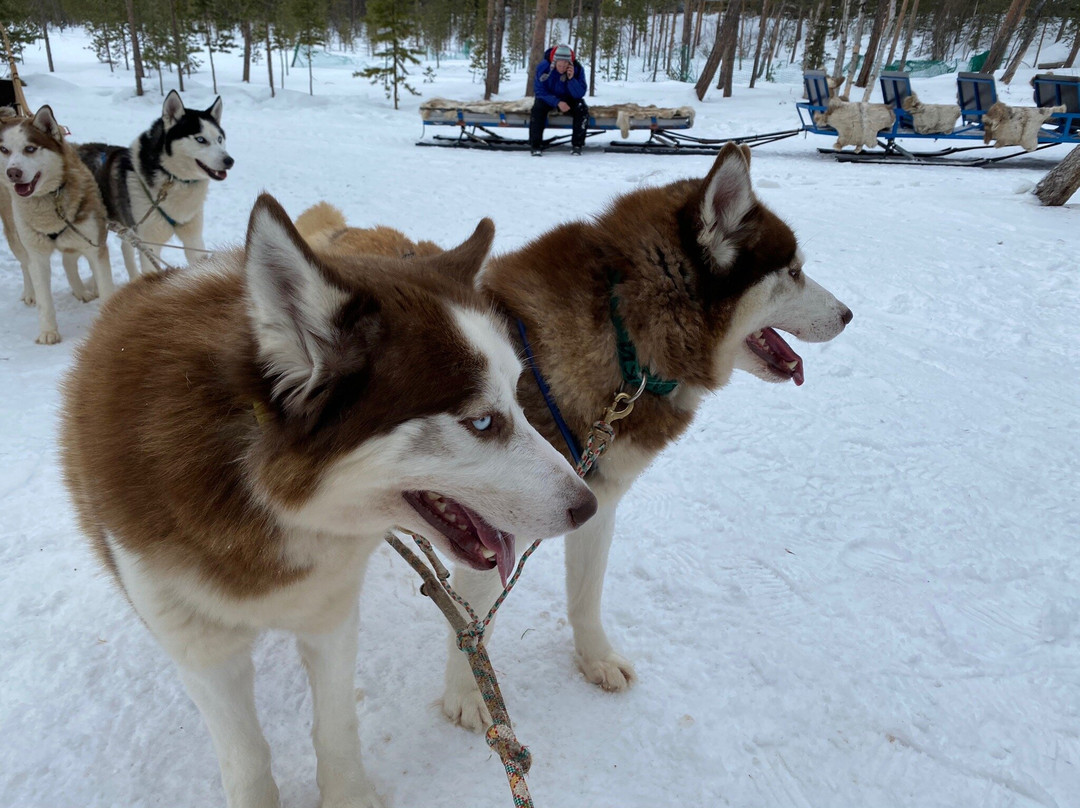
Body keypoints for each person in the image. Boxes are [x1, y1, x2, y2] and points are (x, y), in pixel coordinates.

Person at [530, 44, 588, 156]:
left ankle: (577, 145)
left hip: (569, 97)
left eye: (565, 65)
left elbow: (580, 94)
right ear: (554, 62)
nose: (562, 68)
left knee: (581, 108)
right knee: (537, 109)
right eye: (560, 65)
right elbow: (539, 91)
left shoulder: (578, 69)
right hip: (549, 97)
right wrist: (557, 102)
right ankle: (536, 145)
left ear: (569, 63)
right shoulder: (543, 67)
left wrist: (571, 80)